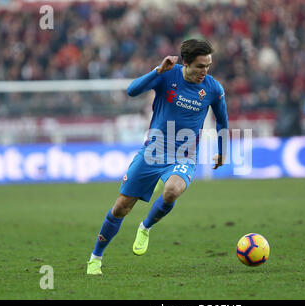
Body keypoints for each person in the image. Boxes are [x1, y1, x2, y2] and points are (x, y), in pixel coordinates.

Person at [87, 39, 229, 275]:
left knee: (172, 190)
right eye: (200, 66)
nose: (205, 71)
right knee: (122, 207)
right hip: (153, 151)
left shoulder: (213, 89)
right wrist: (157, 70)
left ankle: (145, 227)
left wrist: (222, 151)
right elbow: (132, 91)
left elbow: (223, 121)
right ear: (185, 63)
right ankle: (95, 257)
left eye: (208, 65)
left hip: (185, 156)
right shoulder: (167, 75)